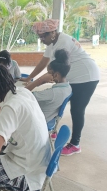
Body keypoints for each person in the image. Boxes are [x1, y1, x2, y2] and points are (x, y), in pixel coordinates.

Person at [22, 19, 100, 156]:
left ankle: (75, 144)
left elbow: (52, 70)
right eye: (39, 36)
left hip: (86, 77)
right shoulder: (53, 42)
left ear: (52, 32)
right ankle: (52, 129)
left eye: (43, 36)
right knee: (59, 102)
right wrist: (29, 78)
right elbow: (43, 62)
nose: (41, 39)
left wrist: (36, 82)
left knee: (77, 109)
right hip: (76, 77)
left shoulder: (62, 43)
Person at [25, 49, 72, 123]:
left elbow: (23, 95)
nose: (46, 75)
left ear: (56, 75)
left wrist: (39, 80)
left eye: (49, 73)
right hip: (49, 117)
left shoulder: (52, 93)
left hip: (37, 121)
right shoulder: (68, 88)